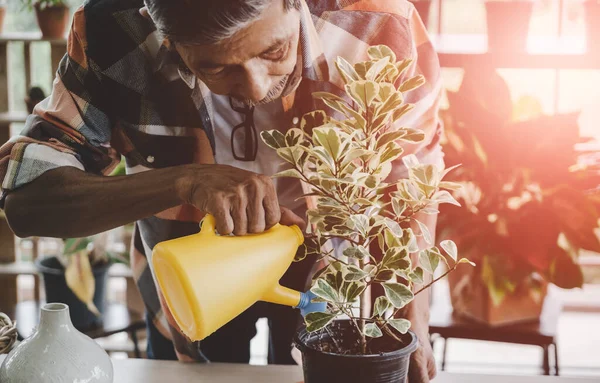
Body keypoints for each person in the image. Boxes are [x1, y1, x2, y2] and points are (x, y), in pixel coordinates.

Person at [0, 0, 442, 381]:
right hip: (189, 275)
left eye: (274, 51)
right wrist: (182, 182)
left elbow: (414, 171)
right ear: (168, 40)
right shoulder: (112, 29)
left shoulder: (380, 21)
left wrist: (414, 317)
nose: (256, 87)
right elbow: (28, 202)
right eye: (215, 66)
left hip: (330, 272)